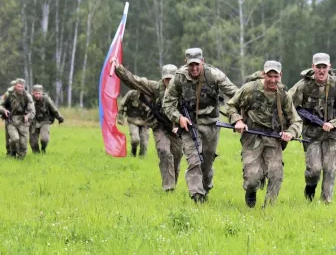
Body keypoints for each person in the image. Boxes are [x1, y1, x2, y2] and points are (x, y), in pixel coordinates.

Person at [163, 48, 238, 203]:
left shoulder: (214, 75)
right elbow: (167, 103)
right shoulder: (179, 78)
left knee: (207, 165)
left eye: (197, 64)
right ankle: (197, 196)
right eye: (191, 65)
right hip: (189, 125)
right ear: (186, 63)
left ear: (202, 61)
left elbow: (236, 94)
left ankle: (206, 187)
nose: (194, 68)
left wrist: (237, 117)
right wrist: (179, 118)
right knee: (194, 161)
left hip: (211, 124)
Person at [226, 61, 302, 208]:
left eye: (276, 76)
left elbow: (296, 121)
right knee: (252, 178)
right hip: (252, 137)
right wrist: (238, 121)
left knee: (276, 174)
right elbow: (231, 105)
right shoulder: (250, 89)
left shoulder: (283, 95)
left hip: (273, 138)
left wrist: (290, 132)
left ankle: (268, 209)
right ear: (263, 74)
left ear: (280, 75)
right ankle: (251, 191)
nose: (272, 80)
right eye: (269, 76)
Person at [288, 53, 336, 203]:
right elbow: (287, 103)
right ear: (313, 67)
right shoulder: (304, 85)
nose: (321, 70)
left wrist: (334, 123)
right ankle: (310, 186)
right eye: (318, 67)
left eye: (324, 67)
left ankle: (326, 203)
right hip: (311, 135)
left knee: (330, 168)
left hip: (331, 135)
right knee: (314, 171)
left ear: (329, 67)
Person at [110, 57, 183, 191]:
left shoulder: (183, 90)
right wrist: (118, 68)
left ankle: (173, 183)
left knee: (176, 157)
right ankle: (168, 187)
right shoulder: (155, 87)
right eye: (167, 79)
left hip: (177, 128)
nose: (169, 82)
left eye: (172, 79)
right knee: (164, 151)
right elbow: (134, 81)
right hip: (160, 126)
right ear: (163, 78)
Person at [0, 78, 35, 159]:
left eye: (22, 87)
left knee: (23, 144)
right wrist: (4, 110)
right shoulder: (8, 94)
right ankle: (12, 152)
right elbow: (0, 105)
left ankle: (20, 158)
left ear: (24, 87)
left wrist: (27, 116)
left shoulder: (27, 96)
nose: (20, 88)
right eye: (18, 86)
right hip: (11, 119)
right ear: (15, 86)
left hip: (23, 121)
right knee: (14, 139)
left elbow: (32, 110)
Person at [29, 85, 64, 154]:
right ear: (33, 93)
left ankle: (43, 149)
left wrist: (60, 118)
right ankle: (36, 154)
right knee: (33, 142)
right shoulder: (29, 99)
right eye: (36, 93)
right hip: (33, 122)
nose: (37, 95)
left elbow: (53, 109)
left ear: (42, 93)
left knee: (44, 139)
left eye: (39, 93)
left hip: (45, 121)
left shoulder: (46, 99)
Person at [118, 89, 151, 157]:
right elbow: (122, 104)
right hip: (133, 120)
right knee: (135, 139)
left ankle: (141, 160)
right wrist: (121, 118)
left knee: (144, 143)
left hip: (145, 122)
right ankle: (133, 151)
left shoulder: (150, 95)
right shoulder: (131, 94)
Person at [0, 80, 17, 156]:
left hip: (20, 119)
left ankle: (17, 151)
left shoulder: (23, 94)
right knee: (8, 136)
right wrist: (3, 113)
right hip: (9, 118)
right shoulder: (6, 95)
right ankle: (9, 152)